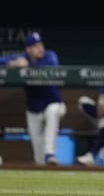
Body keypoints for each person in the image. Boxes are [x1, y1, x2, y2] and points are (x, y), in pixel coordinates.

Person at [0, 32, 66, 165]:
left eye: (40, 44)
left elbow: (50, 65)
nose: (40, 48)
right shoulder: (23, 57)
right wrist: (13, 64)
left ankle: (50, 153)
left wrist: (27, 67)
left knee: (52, 111)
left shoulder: (50, 55)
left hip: (54, 104)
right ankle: (44, 164)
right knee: (38, 156)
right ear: (28, 49)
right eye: (35, 46)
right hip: (34, 109)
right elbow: (2, 60)